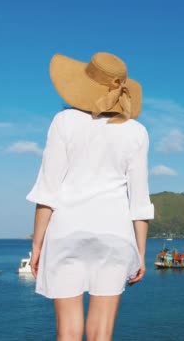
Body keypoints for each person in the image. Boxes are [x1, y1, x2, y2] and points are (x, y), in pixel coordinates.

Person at [26, 52, 154, 340]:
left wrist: (37, 246)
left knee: (68, 331)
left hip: (66, 231)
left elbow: (48, 190)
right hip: (115, 234)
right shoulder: (136, 132)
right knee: (101, 333)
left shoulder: (64, 121)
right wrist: (141, 254)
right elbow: (139, 202)